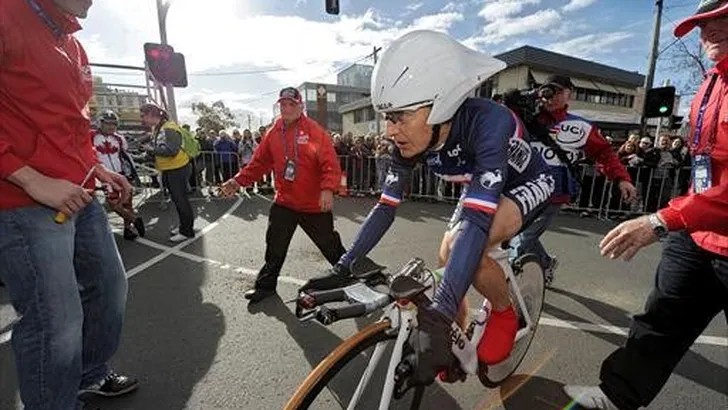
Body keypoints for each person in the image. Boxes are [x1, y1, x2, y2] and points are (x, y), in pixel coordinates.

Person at [304, 29, 555, 383]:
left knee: (464, 249)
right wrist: (344, 266)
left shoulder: (490, 121)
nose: (389, 130)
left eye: (399, 116)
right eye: (386, 116)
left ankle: (503, 312)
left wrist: (438, 316)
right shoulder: (409, 140)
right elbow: (385, 207)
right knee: (446, 260)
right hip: (482, 183)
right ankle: (456, 344)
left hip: (526, 182)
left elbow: (477, 223)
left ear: (442, 106)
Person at [565, 1, 728, 408]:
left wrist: (661, 220)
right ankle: (616, 397)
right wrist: (681, 215)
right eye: (702, 25)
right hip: (697, 233)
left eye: (724, 20)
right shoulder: (711, 81)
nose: (710, 32)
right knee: (658, 320)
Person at [0, 0, 139, 409]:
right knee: (55, 320)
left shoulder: (73, 42)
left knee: (110, 288)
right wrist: (32, 180)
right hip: (24, 199)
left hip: (79, 193)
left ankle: (89, 375)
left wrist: (97, 169)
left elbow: (74, 126)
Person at [220, 87, 348, 303]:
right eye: (283, 104)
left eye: (291, 104)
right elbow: (259, 163)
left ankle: (350, 276)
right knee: (274, 246)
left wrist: (327, 189)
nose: (286, 108)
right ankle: (265, 286)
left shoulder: (314, 130)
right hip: (285, 202)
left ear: (301, 106)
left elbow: (330, 163)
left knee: (330, 245)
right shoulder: (274, 131)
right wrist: (237, 180)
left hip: (313, 204)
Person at [507, 75, 637, 286]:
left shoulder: (581, 126)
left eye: (559, 91)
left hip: (553, 193)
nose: (552, 96)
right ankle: (546, 262)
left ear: (570, 94)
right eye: (548, 90)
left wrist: (622, 178)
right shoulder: (523, 117)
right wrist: (513, 101)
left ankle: (513, 293)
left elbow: (604, 154)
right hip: (520, 189)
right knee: (515, 233)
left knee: (520, 241)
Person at [140, 102, 196, 242]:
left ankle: (187, 232)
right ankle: (184, 227)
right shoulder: (159, 129)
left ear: (151, 114)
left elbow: (171, 151)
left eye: (143, 115)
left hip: (178, 169)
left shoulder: (169, 128)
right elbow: (161, 150)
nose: (142, 119)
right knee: (178, 201)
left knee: (181, 201)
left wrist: (150, 149)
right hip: (171, 169)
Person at [92, 110, 145, 240]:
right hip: (104, 176)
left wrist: (131, 173)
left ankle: (128, 229)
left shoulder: (119, 138)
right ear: (100, 123)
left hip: (122, 173)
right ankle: (134, 219)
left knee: (127, 203)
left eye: (114, 124)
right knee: (113, 202)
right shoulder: (91, 136)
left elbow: (125, 157)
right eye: (107, 123)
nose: (111, 126)